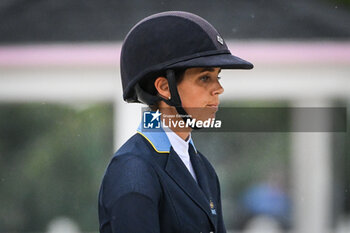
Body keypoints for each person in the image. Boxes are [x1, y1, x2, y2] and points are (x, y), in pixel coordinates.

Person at [98, 11, 253, 233]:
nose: (219, 88)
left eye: (218, 77)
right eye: (204, 78)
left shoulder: (203, 168)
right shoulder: (133, 171)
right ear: (164, 88)